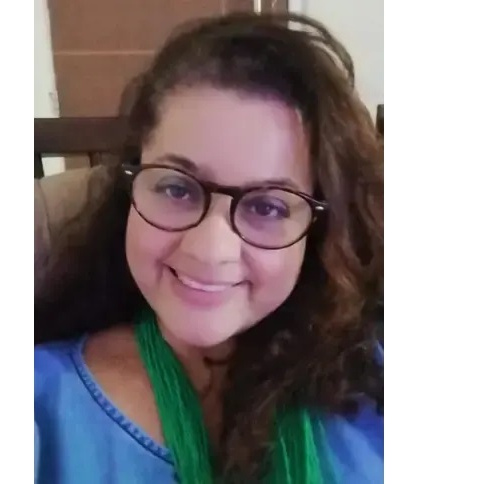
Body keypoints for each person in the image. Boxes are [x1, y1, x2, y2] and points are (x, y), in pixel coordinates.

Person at [35, 11, 383, 484]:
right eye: (177, 188)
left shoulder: (373, 376)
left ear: (319, 228)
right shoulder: (41, 408)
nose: (211, 250)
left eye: (268, 206)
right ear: (130, 188)